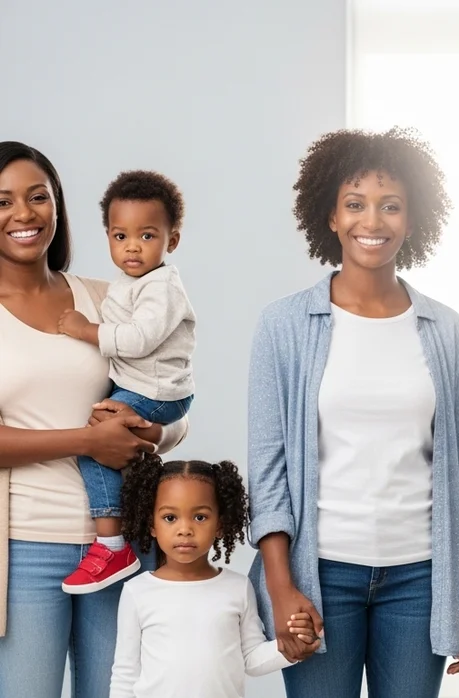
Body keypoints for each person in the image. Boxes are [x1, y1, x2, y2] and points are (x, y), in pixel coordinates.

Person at [246, 127, 459, 698]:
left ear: (412, 217)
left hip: (421, 579)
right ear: (330, 215)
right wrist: (282, 589)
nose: (371, 222)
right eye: (354, 204)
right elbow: (267, 466)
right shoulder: (284, 326)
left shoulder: (445, 330)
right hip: (320, 575)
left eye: (390, 206)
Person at [0, 141, 190, 698]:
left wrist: (156, 432)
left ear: (57, 205)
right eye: (3, 200)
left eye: (39, 196)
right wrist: (89, 440)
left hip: (125, 544)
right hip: (26, 547)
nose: (25, 213)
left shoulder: (107, 297)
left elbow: (169, 391)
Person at [57, 170, 197, 595]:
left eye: (148, 235)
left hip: (157, 392)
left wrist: (86, 330)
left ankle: (112, 544)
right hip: (147, 388)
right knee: (98, 440)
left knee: (95, 446)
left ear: (171, 241)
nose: (132, 246)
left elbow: (138, 340)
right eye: (120, 236)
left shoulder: (161, 287)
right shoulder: (129, 283)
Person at [110, 455, 317, 697]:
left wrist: (291, 647)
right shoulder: (137, 591)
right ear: (152, 524)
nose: (185, 529)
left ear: (220, 524)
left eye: (200, 517)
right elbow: (125, 674)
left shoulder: (237, 587)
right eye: (170, 518)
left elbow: (250, 658)